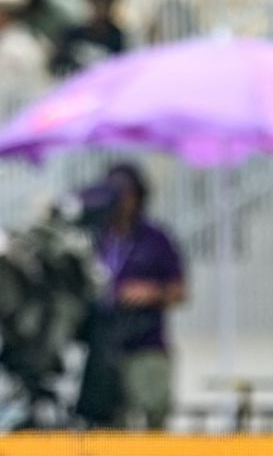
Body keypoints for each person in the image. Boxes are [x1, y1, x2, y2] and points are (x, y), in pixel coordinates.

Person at [92, 162, 185, 429]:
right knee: (112, 426)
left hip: (146, 346)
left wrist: (151, 292)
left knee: (154, 420)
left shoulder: (155, 238)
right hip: (106, 349)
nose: (121, 201)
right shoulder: (98, 238)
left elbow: (181, 290)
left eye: (126, 194)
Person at [50, 0, 125, 74]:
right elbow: (57, 65)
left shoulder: (118, 39)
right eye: (97, 3)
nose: (101, 9)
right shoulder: (73, 35)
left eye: (105, 4)